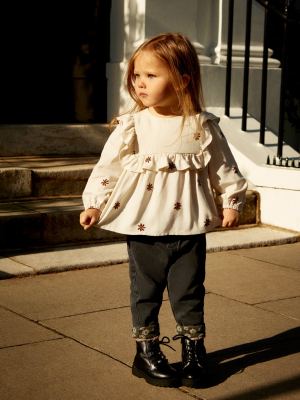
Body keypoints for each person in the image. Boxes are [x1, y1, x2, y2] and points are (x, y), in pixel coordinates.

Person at [80, 33, 248, 388]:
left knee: (189, 290)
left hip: (189, 227)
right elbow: (108, 168)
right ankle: (146, 352)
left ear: (182, 80)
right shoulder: (133, 126)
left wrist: (230, 200)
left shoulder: (202, 126)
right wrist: (94, 202)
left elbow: (224, 168)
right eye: (136, 75)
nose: (140, 83)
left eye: (151, 76)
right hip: (144, 229)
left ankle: (193, 350)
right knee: (145, 291)